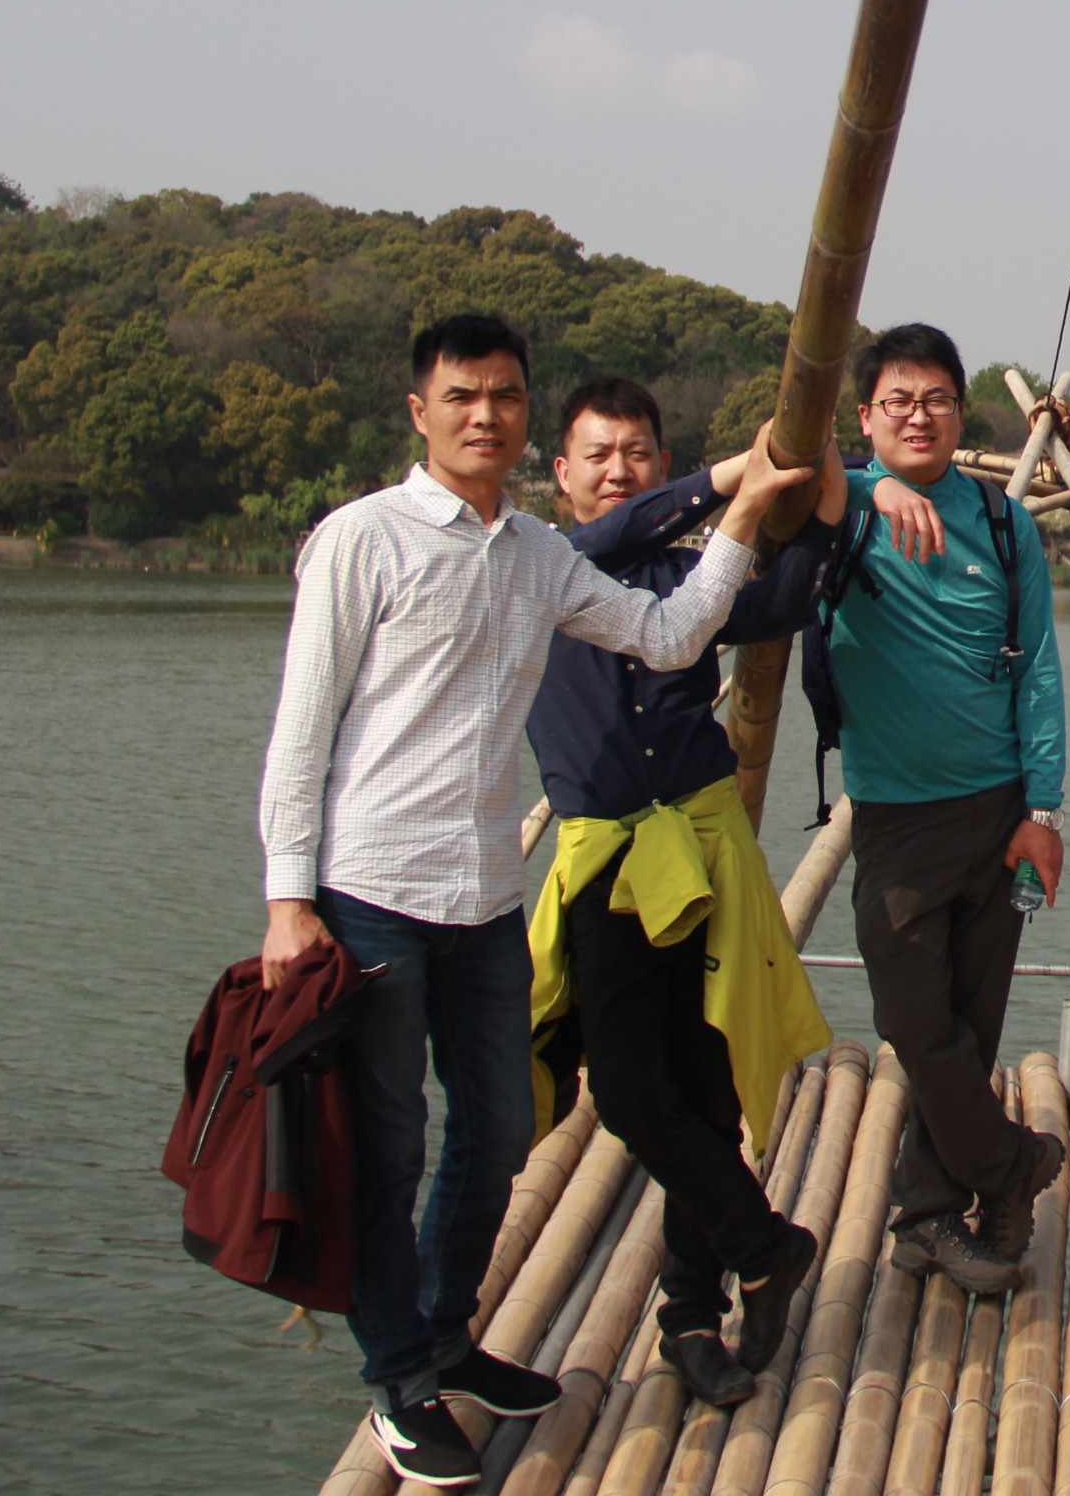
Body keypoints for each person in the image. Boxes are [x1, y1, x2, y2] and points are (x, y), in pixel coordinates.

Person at [257, 315, 810, 1487]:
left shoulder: (534, 557)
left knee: (501, 1128)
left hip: (483, 895)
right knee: (391, 1145)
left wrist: (746, 520)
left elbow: (666, 637)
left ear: (523, 414)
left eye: (504, 395)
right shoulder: (363, 539)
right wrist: (287, 899)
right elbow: (301, 730)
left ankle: (445, 1335)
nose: (485, 415)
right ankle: (401, 1380)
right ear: (420, 411)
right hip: (370, 892)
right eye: (463, 396)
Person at [520, 376, 891, 1408]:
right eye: (599, 455)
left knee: (710, 1082)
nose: (619, 471)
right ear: (561, 473)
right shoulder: (535, 565)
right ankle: (767, 1247)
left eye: (637, 453)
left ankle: (690, 1311)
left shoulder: (692, 570)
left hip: (705, 846)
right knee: (628, 1089)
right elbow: (622, 533)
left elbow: (775, 602)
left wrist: (823, 513)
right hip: (608, 864)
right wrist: (731, 480)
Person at [820, 323, 1070, 1295]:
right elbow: (775, 469)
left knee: (971, 1024)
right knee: (915, 1023)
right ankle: (1015, 1164)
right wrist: (864, 487)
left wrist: (1044, 808)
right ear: (866, 417)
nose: (918, 416)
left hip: (1000, 812)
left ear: (963, 415)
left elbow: (1038, 668)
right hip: (894, 817)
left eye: (936, 400)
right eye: (899, 401)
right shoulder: (839, 509)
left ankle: (931, 1216)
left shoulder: (1006, 526)